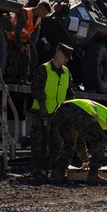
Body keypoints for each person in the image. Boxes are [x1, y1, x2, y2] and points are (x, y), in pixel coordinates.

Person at [28, 43, 75, 178]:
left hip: (58, 115)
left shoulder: (66, 72)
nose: (66, 60)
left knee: (56, 143)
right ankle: (38, 171)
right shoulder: (44, 69)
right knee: (39, 142)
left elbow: (69, 92)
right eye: (65, 57)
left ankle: (54, 171)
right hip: (41, 113)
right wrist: (42, 106)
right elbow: (36, 89)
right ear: (57, 53)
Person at [5, 0, 52, 84]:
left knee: (27, 58)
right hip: (12, 38)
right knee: (14, 58)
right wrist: (20, 46)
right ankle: (12, 77)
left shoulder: (38, 19)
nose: (44, 16)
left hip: (24, 41)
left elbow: (35, 34)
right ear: (41, 9)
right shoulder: (25, 13)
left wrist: (29, 44)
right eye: (45, 13)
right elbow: (18, 30)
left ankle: (24, 78)